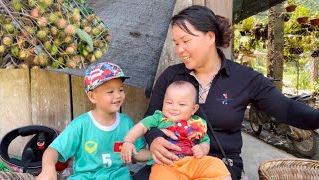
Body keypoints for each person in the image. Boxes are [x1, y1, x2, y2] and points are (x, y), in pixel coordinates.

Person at [133, 5, 319, 180]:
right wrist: (155, 139)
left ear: (210, 37)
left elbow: (287, 109)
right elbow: (150, 116)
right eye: (176, 43)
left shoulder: (244, 78)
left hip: (218, 165)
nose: (180, 50)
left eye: (185, 41)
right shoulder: (171, 75)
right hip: (172, 161)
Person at [36, 62, 149, 180]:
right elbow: (53, 150)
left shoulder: (126, 123)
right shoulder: (81, 125)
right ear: (92, 96)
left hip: (117, 176)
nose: (118, 95)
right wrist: (48, 169)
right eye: (110, 92)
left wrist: (156, 155)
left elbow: (137, 153)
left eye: (120, 90)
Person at [121, 81, 231, 180]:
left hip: (191, 161)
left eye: (181, 104)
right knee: (160, 176)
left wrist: (202, 148)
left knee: (216, 165)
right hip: (165, 164)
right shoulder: (159, 118)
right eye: (169, 102)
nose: (174, 107)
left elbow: (205, 140)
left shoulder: (199, 123)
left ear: (194, 109)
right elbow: (141, 126)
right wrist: (128, 141)